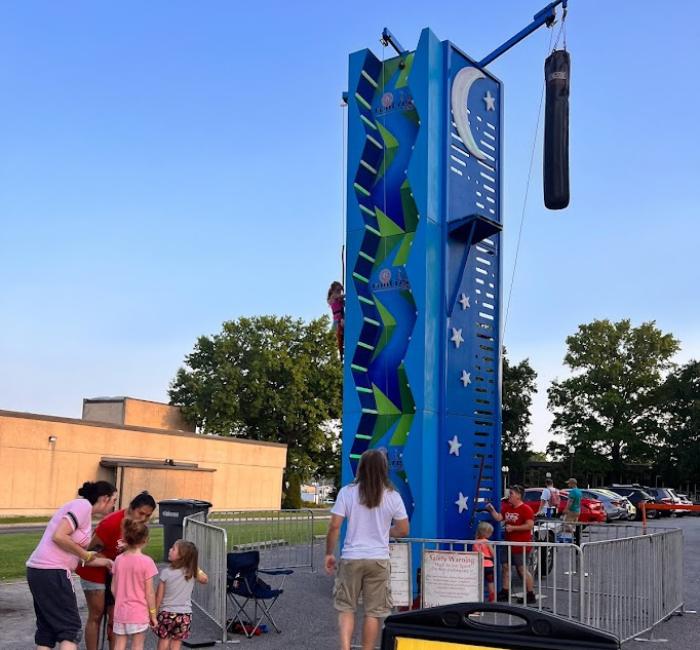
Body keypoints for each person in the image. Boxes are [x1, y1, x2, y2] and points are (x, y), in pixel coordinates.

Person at [325, 449, 409, 650]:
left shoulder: (347, 492)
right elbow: (403, 529)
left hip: (351, 558)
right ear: (384, 469)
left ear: (361, 468)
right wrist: (384, 532)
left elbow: (335, 526)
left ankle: (345, 648)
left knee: (346, 608)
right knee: (373, 612)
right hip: (379, 559)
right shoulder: (393, 496)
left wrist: (329, 553)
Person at [26, 480, 117, 650]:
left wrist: (105, 562)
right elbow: (59, 536)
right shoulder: (82, 506)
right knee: (70, 629)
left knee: (47, 630)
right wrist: (84, 553)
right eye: (113, 500)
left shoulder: (84, 513)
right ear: (104, 498)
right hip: (53, 571)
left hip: (40, 570)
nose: (113, 506)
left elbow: (79, 558)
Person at [77, 491, 157, 650]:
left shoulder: (137, 527)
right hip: (94, 571)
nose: (143, 518)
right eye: (141, 513)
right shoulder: (111, 523)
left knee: (115, 618)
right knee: (97, 614)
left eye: (148, 516)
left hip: (115, 571)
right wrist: (110, 559)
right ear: (131, 508)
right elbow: (89, 551)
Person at [111, 518, 159, 650]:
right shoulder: (147, 562)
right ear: (145, 540)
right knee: (137, 645)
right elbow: (149, 592)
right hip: (138, 612)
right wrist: (153, 615)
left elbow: (113, 588)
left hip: (121, 611)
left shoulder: (118, 560)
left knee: (119, 644)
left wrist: (121, 600)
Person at [486, 485, 536, 605]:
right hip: (508, 543)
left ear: (518, 495)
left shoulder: (526, 509)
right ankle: (505, 591)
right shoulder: (507, 508)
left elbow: (530, 525)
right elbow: (499, 518)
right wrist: (491, 510)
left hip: (521, 545)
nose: (509, 496)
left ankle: (530, 594)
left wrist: (514, 528)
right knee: (505, 567)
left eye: (512, 494)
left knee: (522, 569)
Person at [154, 540, 209, 650]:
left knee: (164, 639)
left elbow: (159, 596)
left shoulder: (166, 572)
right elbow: (205, 579)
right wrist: (194, 567)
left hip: (167, 613)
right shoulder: (191, 572)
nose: (170, 549)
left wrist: (153, 613)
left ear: (181, 556)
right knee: (176, 642)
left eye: (173, 549)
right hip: (184, 615)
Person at [472, 521, 496, 602]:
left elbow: (473, 553)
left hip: (479, 565)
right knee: (490, 581)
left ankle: (478, 598)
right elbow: (493, 554)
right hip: (489, 565)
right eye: (489, 532)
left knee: (479, 582)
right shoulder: (487, 542)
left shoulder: (475, 542)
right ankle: (492, 596)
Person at [327, 281, 345, 360]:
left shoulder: (337, 297)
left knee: (339, 336)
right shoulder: (333, 296)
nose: (340, 291)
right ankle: (340, 353)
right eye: (338, 289)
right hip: (338, 318)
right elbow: (341, 296)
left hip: (339, 318)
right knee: (338, 336)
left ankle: (341, 352)